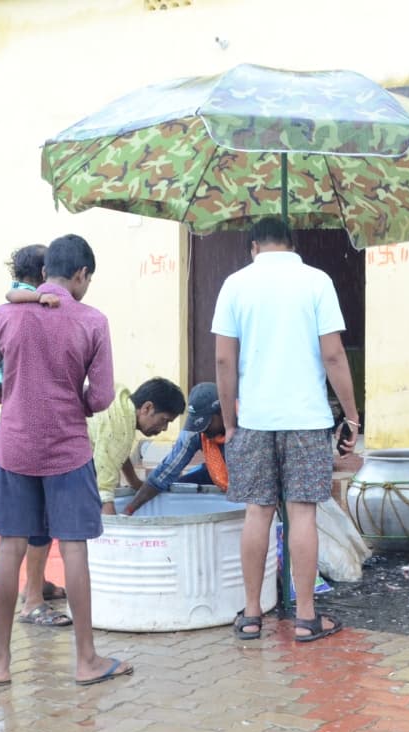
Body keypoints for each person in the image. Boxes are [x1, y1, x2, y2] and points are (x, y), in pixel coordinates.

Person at [0, 233, 132, 687]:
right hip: (67, 449)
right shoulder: (93, 321)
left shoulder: (4, 316)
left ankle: (1, 664)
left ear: (45, 273)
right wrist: (69, 403)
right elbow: (100, 397)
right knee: (74, 547)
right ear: (81, 275)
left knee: (11, 547)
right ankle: (86, 661)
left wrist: (15, 398)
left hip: (15, 445)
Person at [213, 218, 359, 643]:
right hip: (307, 419)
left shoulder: (235, 284)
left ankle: (254, 613)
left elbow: (224, 360)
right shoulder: (316, 281)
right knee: (303, 514)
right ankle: (307, 618)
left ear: (254, 246)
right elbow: (333, 355)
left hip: (255, 420)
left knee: (257, 512)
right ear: (292, 244)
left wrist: (231, 420)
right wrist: (351, 415)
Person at [0, 244, 71, 627]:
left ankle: (37, 587)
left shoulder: (3, 317)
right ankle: (32, 600)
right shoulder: (43, 310)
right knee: (35, 527)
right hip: (34, 434)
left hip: (5, 429)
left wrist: (2, 393)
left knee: (25, 529)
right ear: (43, 274)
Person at [122, 382, 226, 515]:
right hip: (216, 474)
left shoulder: (245, 428)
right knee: (175, 489)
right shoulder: (195, 431)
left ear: (222, 413)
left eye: (207, 423)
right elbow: (165, 472)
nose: (203, 430)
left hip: (247, 477)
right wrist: (129, 510)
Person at [88, 378, 185, 515]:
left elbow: (117, 452)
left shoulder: (120, 399)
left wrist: (134, 481)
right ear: (147, 408)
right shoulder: (118, 426)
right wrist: (118, 530)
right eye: (164, 420)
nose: (164, 428)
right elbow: (103, 492)